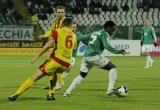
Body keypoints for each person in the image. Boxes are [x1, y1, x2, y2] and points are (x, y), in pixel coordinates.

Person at [8, 17, 77, 101]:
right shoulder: (74, 35)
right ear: (70, 25)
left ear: (62, 23)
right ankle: (51, 94)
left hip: (56, 60)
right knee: (53, 73)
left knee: (35, 77)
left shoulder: (57, 31)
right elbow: (71, 49)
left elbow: (48, 45)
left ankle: (16, 94)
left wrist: (37, 56)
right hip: (66, 64)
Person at [64, 21, 128, 97]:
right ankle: (110, 89)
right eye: (113, 29)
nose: (113, 31)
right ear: (108, 28)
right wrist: (118, 51)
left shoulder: (95, 32)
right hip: (95, 56)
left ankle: (67, 92)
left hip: (86, 57)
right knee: (113, 68)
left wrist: (75, 34)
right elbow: (107, 46)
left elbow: (85, 39)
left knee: (81, 76)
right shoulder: (104, 33)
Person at [39, 6, 66, 89]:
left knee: (52, 64)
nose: (60, 14)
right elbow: (52, 31)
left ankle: (58, 83)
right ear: (56, 13)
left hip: (63, 48)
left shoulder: (66, 22)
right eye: (59, 12)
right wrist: (44, 36)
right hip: (57, 47)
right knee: (53, 64)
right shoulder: (55, 22)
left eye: (62, 12)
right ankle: (57, 83)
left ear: (64, 13)